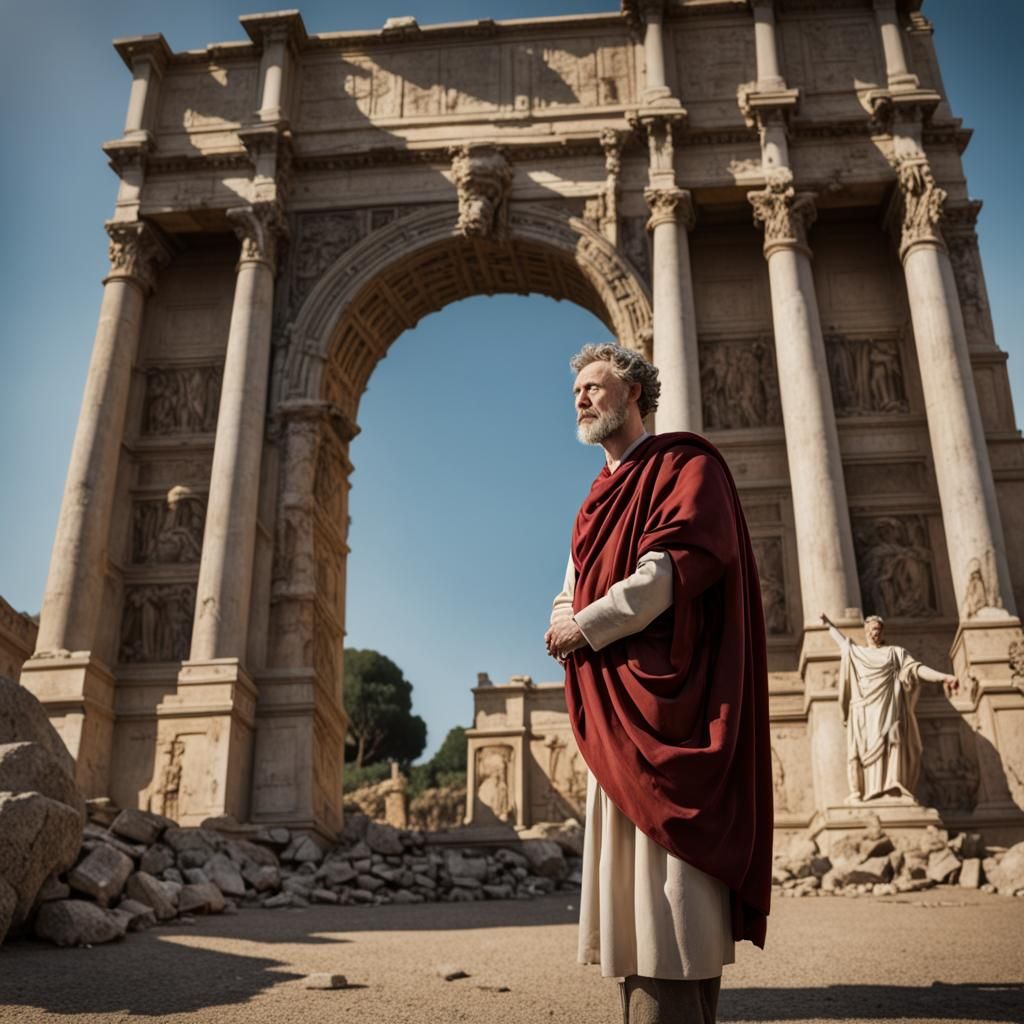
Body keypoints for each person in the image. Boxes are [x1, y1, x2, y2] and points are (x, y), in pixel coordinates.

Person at [545, 343, 772, 1024]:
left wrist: (584, 627)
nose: (581, 397)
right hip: (617, 700)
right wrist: (566, 617)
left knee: (669, 882)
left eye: (595, 385)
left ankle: (669, 1006)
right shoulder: (594, 498)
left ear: (635, 390)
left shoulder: (686, 463)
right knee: (634, 880)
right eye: (576, 389)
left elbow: (673, 569)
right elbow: (572, 577)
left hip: (673, 699)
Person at [820, 612, 958, 802]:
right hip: (863, 710)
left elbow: (917, 669)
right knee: (859, 752)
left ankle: (892, 787)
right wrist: (828, 625)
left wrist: (944, 677)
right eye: (869, 629)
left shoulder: (895, 653)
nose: (872, 633)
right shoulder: (857, 652)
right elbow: (843, 642)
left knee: (893, 740)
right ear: (865, 632)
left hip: (888, 709)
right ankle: (863, 792)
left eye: (876, 629)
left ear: (882, 632)